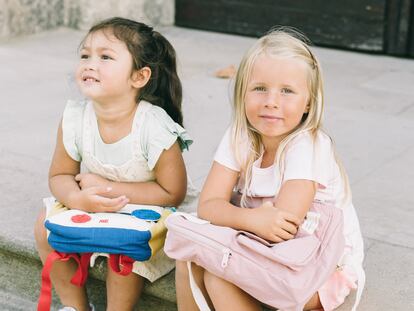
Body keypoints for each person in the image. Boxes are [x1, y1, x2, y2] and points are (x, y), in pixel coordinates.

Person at [175, 28, 365, 311]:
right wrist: (250, 220)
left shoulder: (308, 145)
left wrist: (236, 219)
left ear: (308, 102)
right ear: (242, 93)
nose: (271, 101)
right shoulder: (239, 135)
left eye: (287, 91)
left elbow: (282, 227)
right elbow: (208, 205)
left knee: (218, 277)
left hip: (315, 266)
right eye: (260, 88)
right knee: (190, 258)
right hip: (261, 245)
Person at [34, 17, 193, 311]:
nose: (90, 64)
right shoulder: (74, 118)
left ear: (139, 77)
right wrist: (76, 198)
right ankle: (75, 306)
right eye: (85, 55)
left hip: (146, 213)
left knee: (123, 255)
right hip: (94, 205)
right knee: (43, 226)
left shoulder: (154, 126)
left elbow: (172, 193)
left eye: (105, 57)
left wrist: (106, 188)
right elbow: (60, 174)